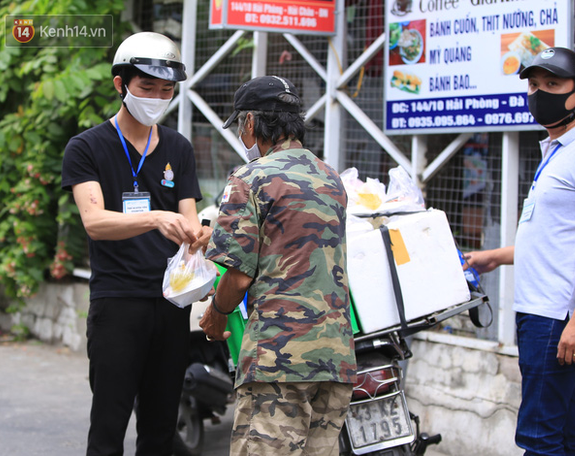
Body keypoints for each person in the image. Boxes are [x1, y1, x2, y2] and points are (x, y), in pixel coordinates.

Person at [465, 47, 575, 455]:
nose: (540, 93)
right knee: (567, 431)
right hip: (541, 312)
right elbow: (557, 239)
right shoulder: (559, 150)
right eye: (534, 85)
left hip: (559, 315)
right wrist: (496, 256)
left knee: (539, 436)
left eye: (553, 84)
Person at [61, 32, 210, 456]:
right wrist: (154, 217)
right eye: (147, 87)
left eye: (167, 90)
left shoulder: (178, 148)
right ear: (120, 84)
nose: (158, 97)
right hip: (117, 303)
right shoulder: (87, 147)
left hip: (170, 303)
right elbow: (95, 222)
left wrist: (200, 234)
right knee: (108, 429)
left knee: (161, 431)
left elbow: (186, 221)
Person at [198, 75, 357, 455]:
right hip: (335, 359)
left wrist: (216, 315)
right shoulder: (330, 178)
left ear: (250, 123)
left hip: (279, 359)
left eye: (240, 125)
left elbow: (237, 277)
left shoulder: (250, 178)